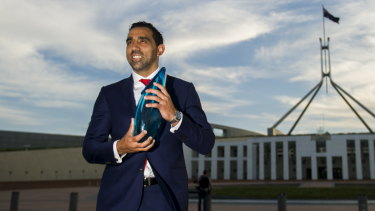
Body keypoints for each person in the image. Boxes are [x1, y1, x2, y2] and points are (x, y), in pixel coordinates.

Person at [82, 21, 215, 211]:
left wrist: (175, 116)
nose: (133, 46)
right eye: (129, 42)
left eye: (142, 41)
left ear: (160, 49)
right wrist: (119, 147)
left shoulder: (183, 90)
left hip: (165, 198)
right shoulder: (109, 94)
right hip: (118, 198)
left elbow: (206, 143)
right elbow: (90, 149)